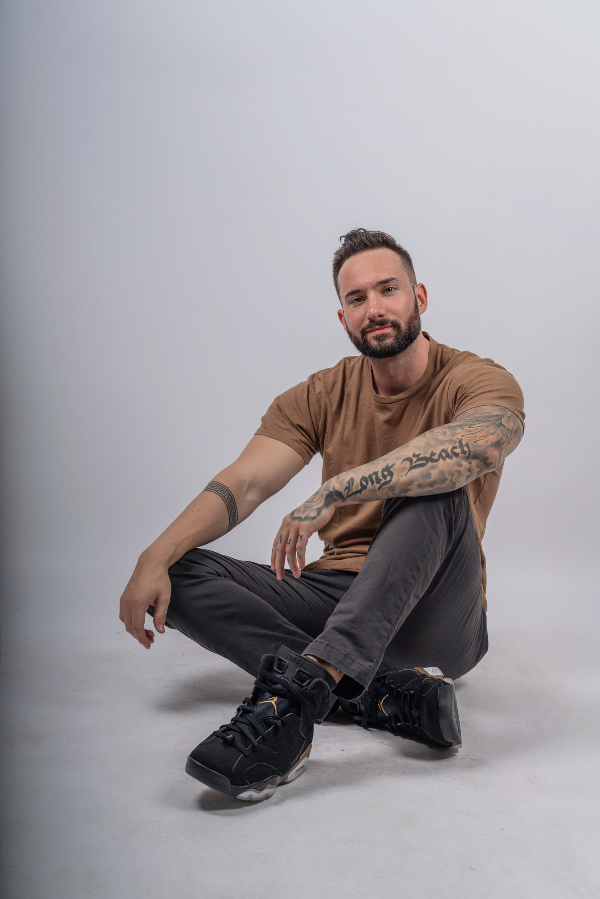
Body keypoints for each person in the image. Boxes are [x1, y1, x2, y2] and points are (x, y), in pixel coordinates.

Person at [119, 228, 525, 801]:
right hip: (334, 595)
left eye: (388, 289)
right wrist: (153, 555)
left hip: (436, 610)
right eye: (357, 298)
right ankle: (381, 695)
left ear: (419, 297)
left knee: (435, 484)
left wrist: (338, 488)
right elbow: (246, 481)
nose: (374, 308)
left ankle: (294, 701)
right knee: (179, 572)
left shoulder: (475, 378)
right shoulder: (322, 393)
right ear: (343, 317)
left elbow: (477, 447)